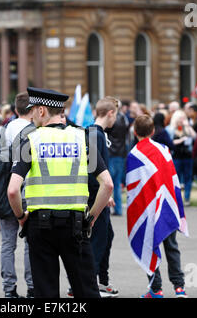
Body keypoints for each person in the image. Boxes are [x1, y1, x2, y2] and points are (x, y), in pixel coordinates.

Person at [7, 87, 113, 298]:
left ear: (42, 111)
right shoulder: (83, 138)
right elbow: (107, 185)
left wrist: (21, 217)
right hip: (76, 224)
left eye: (34, 110)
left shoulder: (29, 140)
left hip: (40, 224)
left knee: (45, 292)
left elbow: (12, 190)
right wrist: (91, 217)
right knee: (86, 289)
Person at [128, 115, 188, 298]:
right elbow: (172, 179)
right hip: (167, 205)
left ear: (135, 132)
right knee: (172, 246)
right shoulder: (164, 150)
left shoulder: (134, 154)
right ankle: (180, 288)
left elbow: (133, 189)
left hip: (147, 209)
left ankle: (156, 289)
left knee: (147, 244)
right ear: (153, 131)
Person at [0, 92, 34, 298]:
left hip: (8, 191)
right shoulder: (35, 130)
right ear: (33, 110)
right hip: (30, 192)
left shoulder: (5, 129)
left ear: (16, 109)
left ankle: (9, 289)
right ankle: (32, 286)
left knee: (7, 244)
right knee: (30, 243)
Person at [86, 96, 119, 297]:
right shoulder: (94, 134)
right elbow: (92, 169)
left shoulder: (97, 133)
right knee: (98, 239)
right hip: (95, 195)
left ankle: (101, 280)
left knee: (106, 236)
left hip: (100, 193)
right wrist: (103, 194)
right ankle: (89, 282)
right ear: (110, 113)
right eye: (116, 114)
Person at [166, 110, 196, 206]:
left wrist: (188, 126)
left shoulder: (187, 128)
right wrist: (180, 140)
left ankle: (187, 198)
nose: (182, 120)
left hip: (187, 156)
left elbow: (195, 137)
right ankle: (176, 198)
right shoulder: (170, 129)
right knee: (176, 179)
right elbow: (169, 142)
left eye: (183, 118)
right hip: (176, 156)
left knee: (188, 178)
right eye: (180, 118)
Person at [105, 99, 129, 216]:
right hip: (121, 153)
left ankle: (108, 208)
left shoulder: (113, 120)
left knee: (108, 183)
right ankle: (118, 208)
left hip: (111, 153)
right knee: (117, 183)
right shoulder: (124, 118)